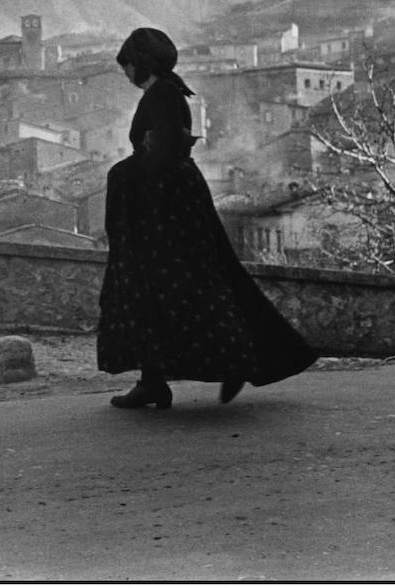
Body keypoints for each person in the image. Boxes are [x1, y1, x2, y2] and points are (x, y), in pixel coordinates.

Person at [95, 27, 316, 409]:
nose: (126, 73)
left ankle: (230, 360)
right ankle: (154, 380)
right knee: (162, 288)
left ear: (139, 63)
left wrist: (125, 172)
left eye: (128, 65)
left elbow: (164, 152)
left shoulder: (163, 93)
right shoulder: (166, 90)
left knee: (183, 286)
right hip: (168, 203)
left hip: (166, 209)